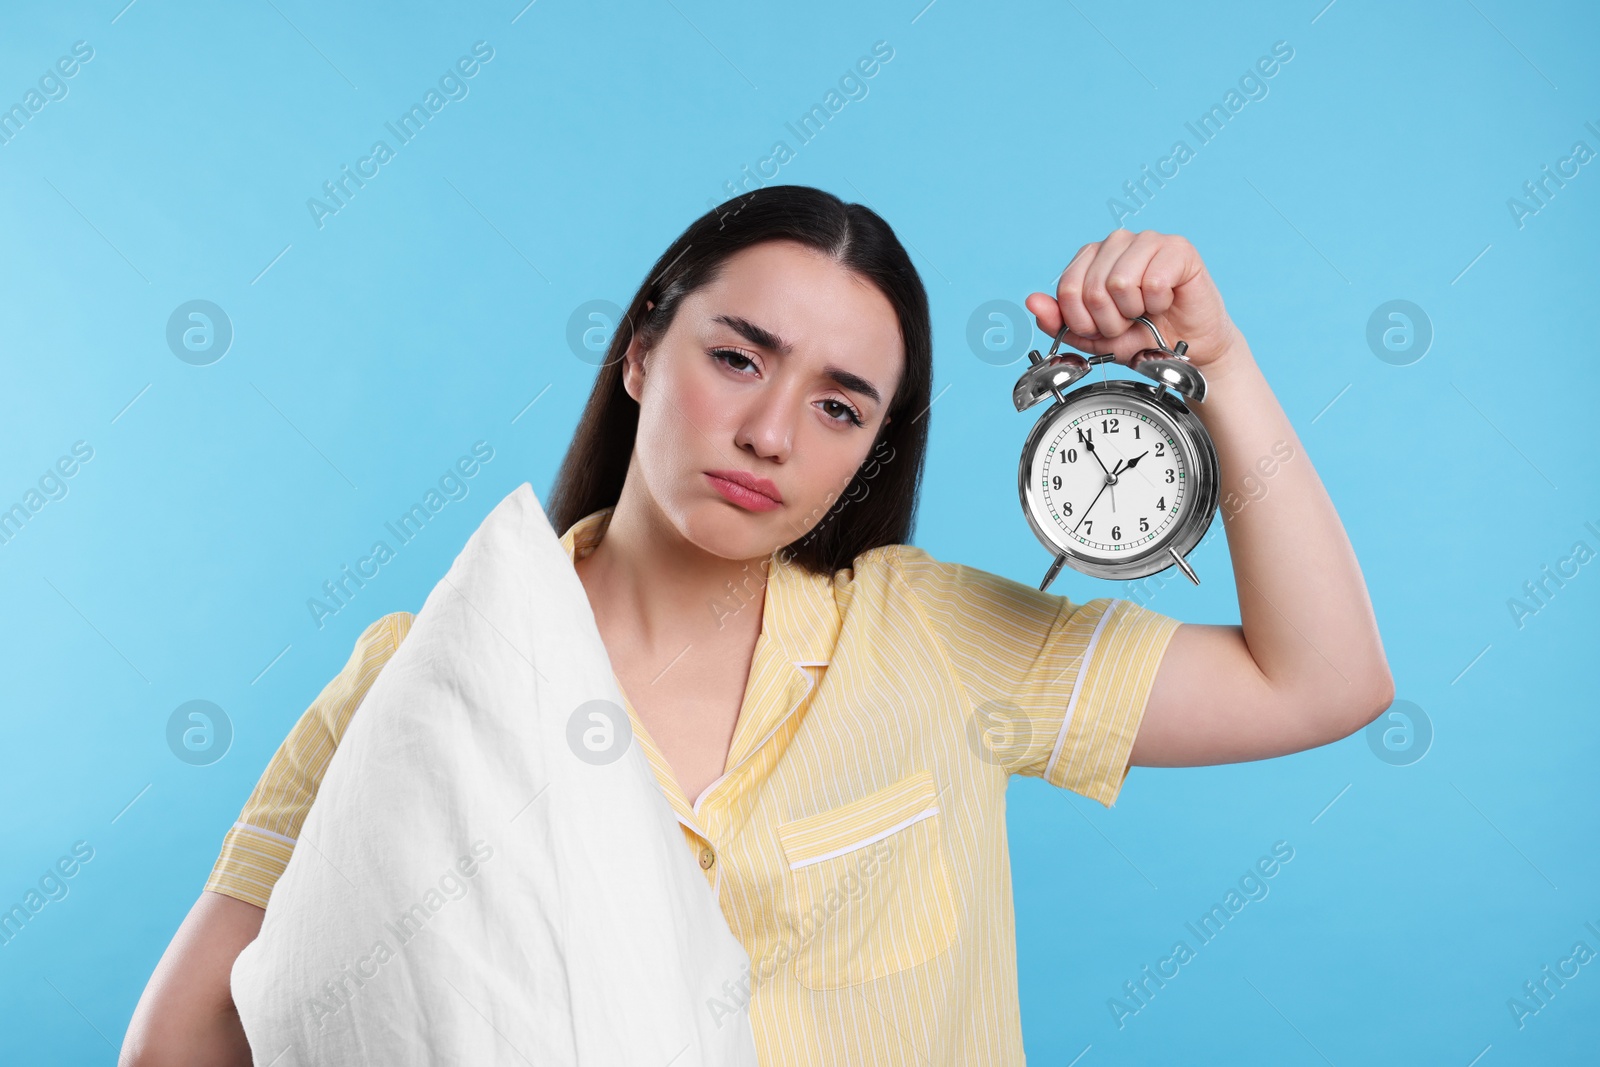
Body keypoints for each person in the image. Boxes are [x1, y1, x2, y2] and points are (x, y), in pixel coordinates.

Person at [121, 185, 1392, 1065]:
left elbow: (1321, 681)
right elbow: (183, 1040)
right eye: (738, 357)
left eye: (840, 407)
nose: (772, 430)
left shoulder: (937, 642)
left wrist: (1211, 368)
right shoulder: (424, 671)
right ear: (638, 353)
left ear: (868, 453)